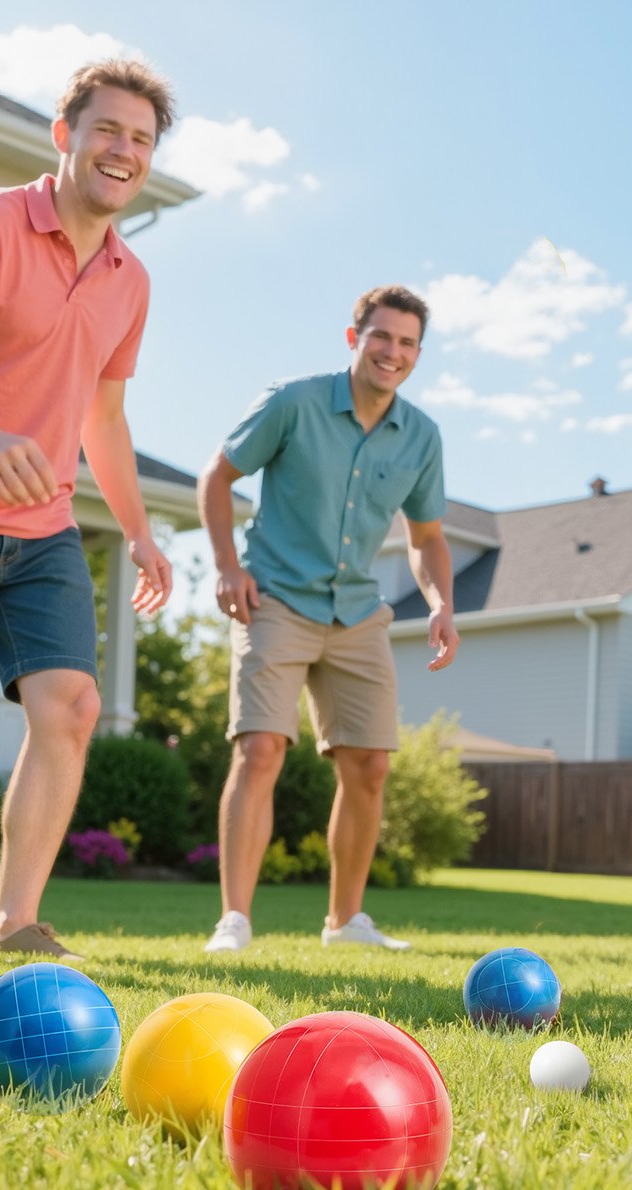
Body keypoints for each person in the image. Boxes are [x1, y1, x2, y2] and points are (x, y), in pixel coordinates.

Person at [0, 59, 176, 962]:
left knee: (73, 705)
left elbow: (105, 418)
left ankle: (14, 927)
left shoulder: (130, 279)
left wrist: (136, 530)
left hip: (44, 530)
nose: (123, 150)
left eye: (140, 139)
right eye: (108, 129)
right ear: (66, 136)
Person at [197, 285, 459, 954]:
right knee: (261, 749)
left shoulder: (421, 436)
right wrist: (228, 567)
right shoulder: (294, 402)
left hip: (356, 610)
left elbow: (427, 537)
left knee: (370, 765)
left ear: (417, 355)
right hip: (276, 597)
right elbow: (216, 479)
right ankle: (235, 920)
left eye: (406, 343)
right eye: (381, 337)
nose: (391, 352)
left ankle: (345, 923)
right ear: (354, 338)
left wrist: (440, 604)